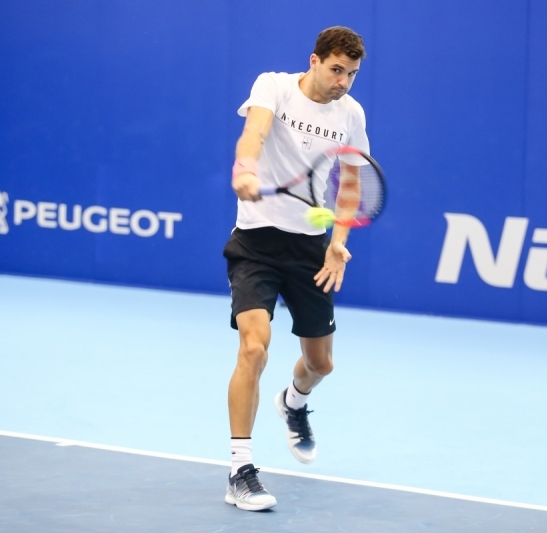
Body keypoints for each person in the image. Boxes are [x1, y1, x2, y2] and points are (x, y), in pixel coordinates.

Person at [223, 26, 370, 511]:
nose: (343, 81)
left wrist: (338, 243)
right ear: (314, 61)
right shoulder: (275, 86)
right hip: (256, 243)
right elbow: (255, 131)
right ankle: (240, 470)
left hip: (310, 249)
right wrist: (245, 168)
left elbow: (351, 184)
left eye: (352, 74)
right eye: (336, 70)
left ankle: (294, 402)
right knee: (254, 347)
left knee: (321, 363)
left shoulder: (351, 115)